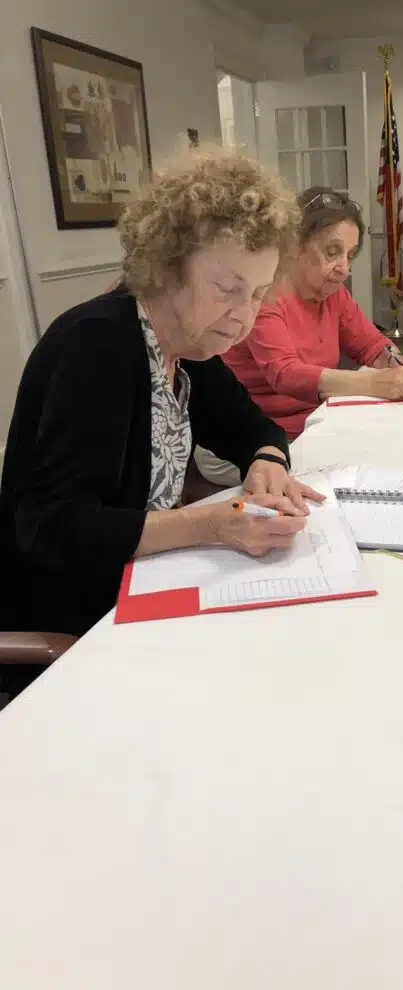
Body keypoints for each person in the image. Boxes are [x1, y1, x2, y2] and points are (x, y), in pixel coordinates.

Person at [0, 148, 323, 643]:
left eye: (258, 294)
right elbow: (50, 528)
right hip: (78, 622)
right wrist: (210, 525)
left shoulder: (190, 346)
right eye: (226, 288)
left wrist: (269, 460)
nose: (244, 315)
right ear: (169, 269)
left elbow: (253, 427)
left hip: (146, 586)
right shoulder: (98, 344)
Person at [196, 186, 403, 485]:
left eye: (350, 255)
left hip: (306, 426)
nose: (344, 268)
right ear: (296, 245)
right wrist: (374, 382)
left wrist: (399, 360)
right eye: (332, 252)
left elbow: (370, 344)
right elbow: (284, 374)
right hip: (246, 442)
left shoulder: (332, 294)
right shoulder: (265, 294)